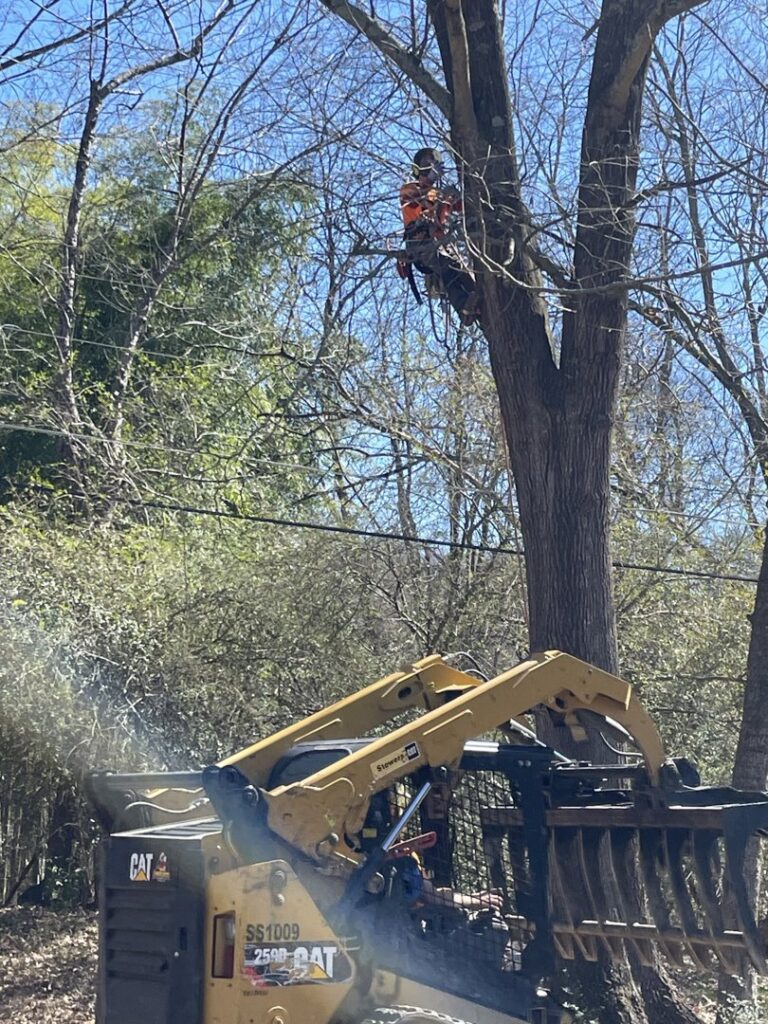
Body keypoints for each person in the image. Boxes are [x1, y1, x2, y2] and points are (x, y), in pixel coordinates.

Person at [399, 147, 480, 326]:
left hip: (442, 243)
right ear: (417, 168)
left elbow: (460, 207)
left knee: (463, 274)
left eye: (433, 164)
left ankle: (473, 307)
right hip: (421, 243)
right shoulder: (409, 189)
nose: (430, 167)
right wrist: (430, 183)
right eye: (426, 164)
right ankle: (464, 305)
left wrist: (464, 197)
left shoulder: (439, 194)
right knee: (449, 267)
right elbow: (416, 201)